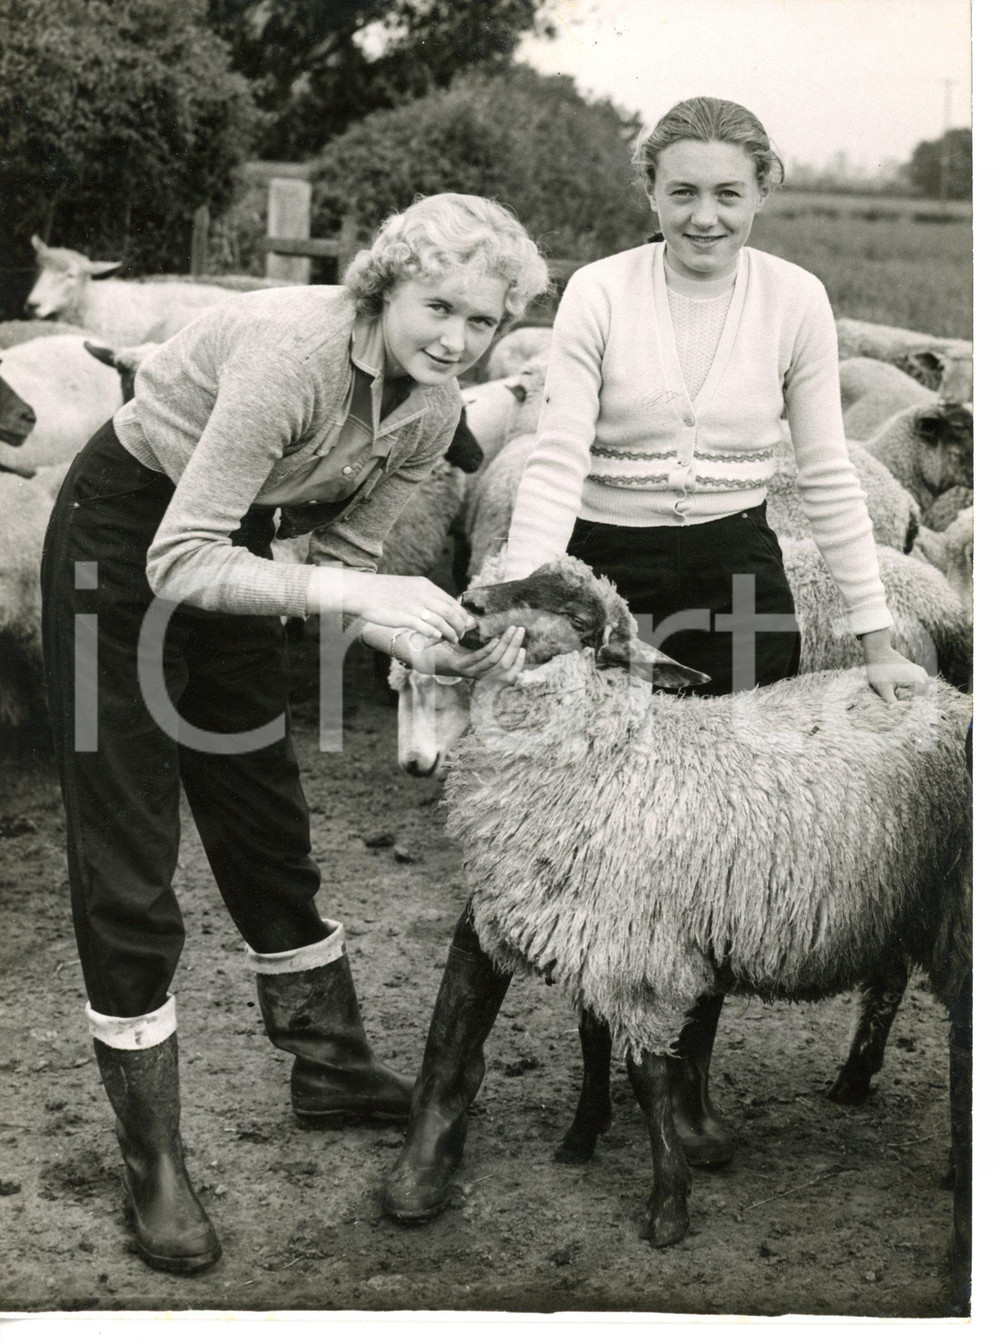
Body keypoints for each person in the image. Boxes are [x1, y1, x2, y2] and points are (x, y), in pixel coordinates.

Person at [384, 98, 931, 1222]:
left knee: (712, 847)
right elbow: (555, 453)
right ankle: (441, 1104)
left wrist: (877, 639)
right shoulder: (600, 291)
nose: (704, 214)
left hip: (733, 576)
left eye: (728, 191)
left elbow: (825, 472)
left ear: (763, 190)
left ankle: (676, 1088)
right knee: (524, 834)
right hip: (595, 577)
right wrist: (514, 597)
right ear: (649, 191)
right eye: (681, 190)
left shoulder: (795, 300)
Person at [40, 192, 549, 1273]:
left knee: (263, 811)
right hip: (128, 535)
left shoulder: (426, 408)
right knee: (130, 849)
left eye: (483, 323)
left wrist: (415, 642)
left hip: (240, 547)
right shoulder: (292, 357)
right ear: (384, 285)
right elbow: (178, 557)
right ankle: (154, 1159)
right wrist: (351, 595)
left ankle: (329, 1063)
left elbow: (347, 574)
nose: (456, 339)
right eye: (438, 306)